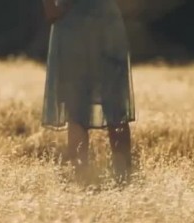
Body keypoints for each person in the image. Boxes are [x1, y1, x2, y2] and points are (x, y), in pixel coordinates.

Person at [41, 0, 136, 183]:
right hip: (88, 22)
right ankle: (109, 177)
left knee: (89, 107)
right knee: (92, 107)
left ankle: (95, 178)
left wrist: (53, 7)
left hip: (83, 22)